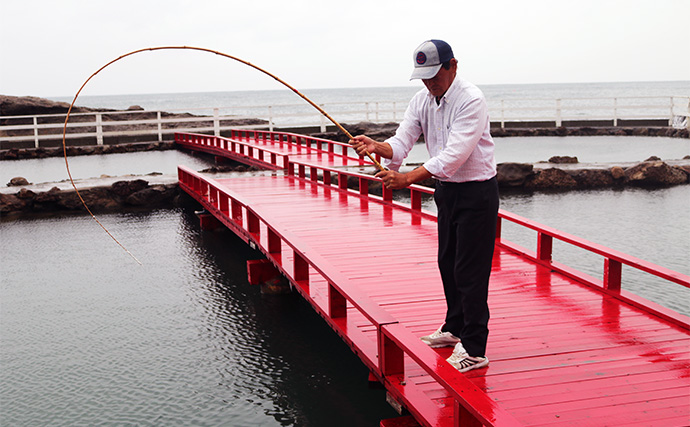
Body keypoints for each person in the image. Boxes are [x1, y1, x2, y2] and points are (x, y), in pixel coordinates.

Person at [350, 39, 498, 373]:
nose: (430, 83)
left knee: (470, 272)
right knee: (447, 262)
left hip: (477, 193)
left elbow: (454, 155)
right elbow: (402, 141)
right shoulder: (422, 100)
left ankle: (474, 347)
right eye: (424, 77)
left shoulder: (471, 99)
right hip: (448, 192)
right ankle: (454, 328)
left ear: (453, 66)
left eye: (435, 75)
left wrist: (407, 179)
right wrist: (379, 146)